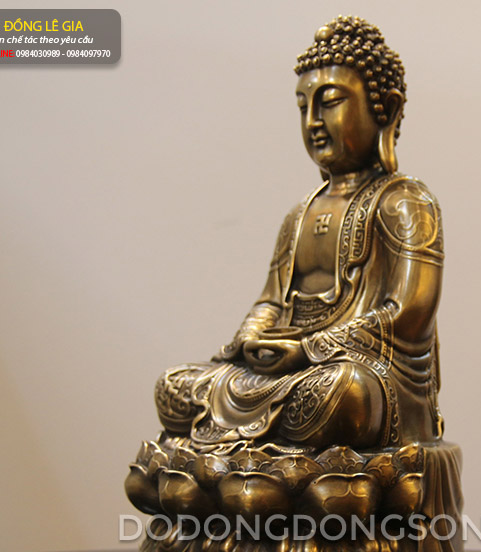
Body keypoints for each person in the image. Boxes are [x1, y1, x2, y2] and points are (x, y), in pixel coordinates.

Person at [153, 16, 445, 455]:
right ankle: (264, 439)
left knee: (347, 396)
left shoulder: (405, 202)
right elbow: (272, 301)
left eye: (330, 102)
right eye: (303, 106)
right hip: (290, 368)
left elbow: (409, 312)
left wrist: (310, 347)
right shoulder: (300, 215)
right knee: (174, 386)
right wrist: (253, 340)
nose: (313, 121)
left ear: (386, 107)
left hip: (361, 373)